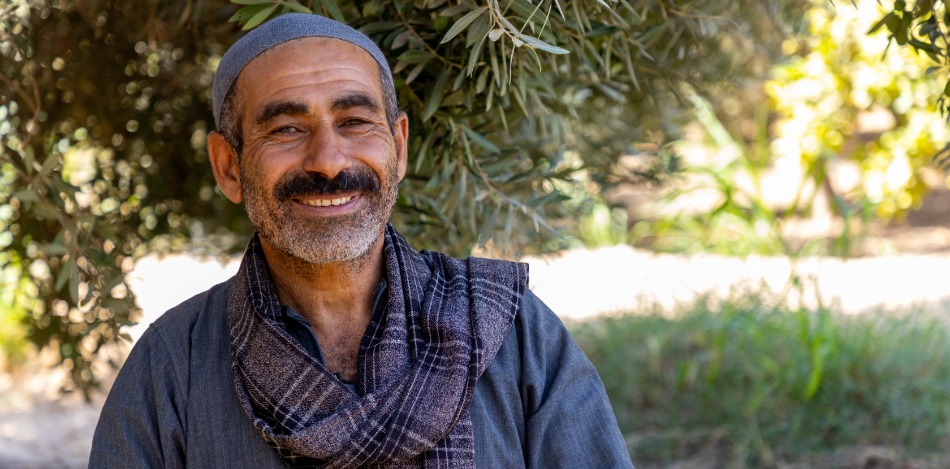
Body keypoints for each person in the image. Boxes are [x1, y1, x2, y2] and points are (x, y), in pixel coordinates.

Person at [89, 13, 633, 468]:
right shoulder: (172, 367)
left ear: (397, 147)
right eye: (285, 129)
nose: (328, 160)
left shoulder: (512, 334)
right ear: (228, 167)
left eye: (354, 121)